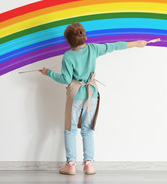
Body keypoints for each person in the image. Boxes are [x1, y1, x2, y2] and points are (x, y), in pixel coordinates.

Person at [39, 22, 147, 175]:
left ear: (68, 41)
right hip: (92, 95)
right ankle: (89, 164)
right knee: (88, 130)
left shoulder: (68, 56)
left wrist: (48, 72)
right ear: (85, 37)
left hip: (75, 96)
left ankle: (70, 165)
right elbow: (114, 46)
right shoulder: (93, 49)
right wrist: (136, 43)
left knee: (70, 130)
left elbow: (65, 79)